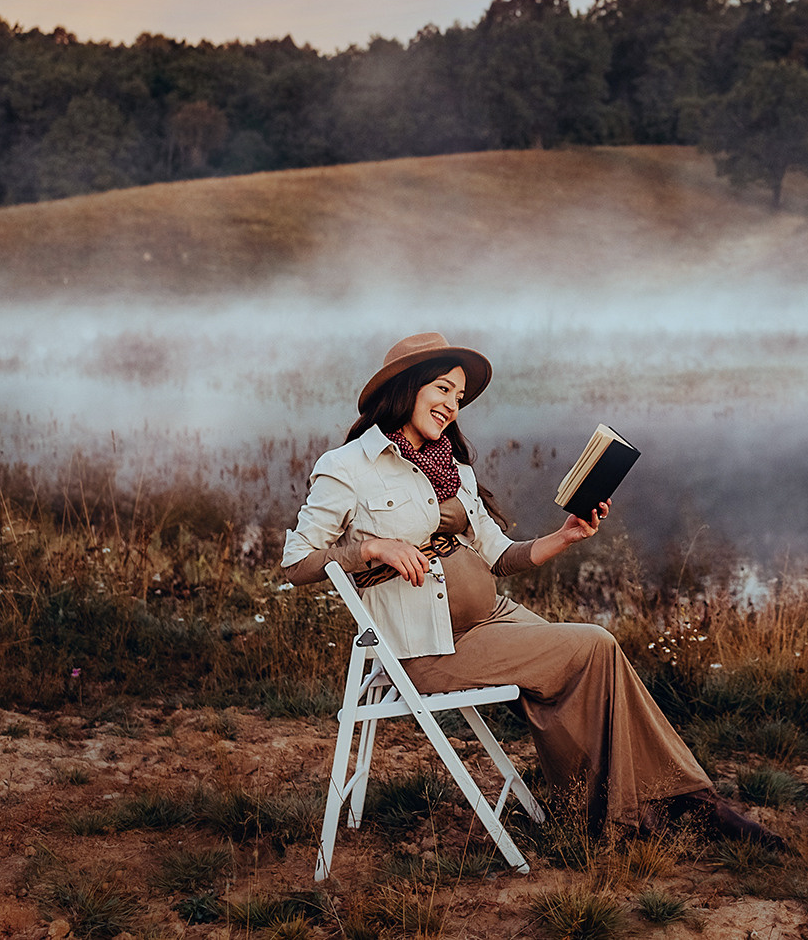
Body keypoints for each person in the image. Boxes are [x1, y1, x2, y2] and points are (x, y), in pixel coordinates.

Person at [281, 331, 781, 846]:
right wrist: (372, 549)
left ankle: (670, 805)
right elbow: (295, 563)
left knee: (595, 666)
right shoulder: (347, 469)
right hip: (429, 647)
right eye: (442, 389)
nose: (452, 405)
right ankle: (649, 811)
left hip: (490, 617)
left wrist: (564, 536)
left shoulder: (452, 469)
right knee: (593, 643)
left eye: (459, 397)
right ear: (407, 388)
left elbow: (499, 555)